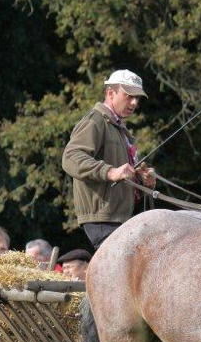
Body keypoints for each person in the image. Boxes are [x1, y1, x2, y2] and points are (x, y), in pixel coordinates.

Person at [61, 69, 157, 249]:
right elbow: (71, 157)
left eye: (137, 98)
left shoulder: (119, 128)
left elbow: (123, 175)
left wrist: (142, 180)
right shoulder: (96, 120)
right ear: (110, 93)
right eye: (129, 96)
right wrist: (110, 172)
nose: (134, 102)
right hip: (103, 218)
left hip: (120, 217)